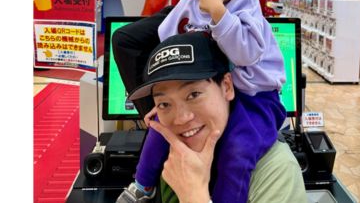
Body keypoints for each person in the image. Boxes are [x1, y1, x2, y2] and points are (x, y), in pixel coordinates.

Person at [117, 0, 286, 203]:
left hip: (255, 95)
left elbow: (244, 55)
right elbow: (168, 41)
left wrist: (220, 14)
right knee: (160, 128)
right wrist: (163, 98)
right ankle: (142, 185)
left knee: (237, 152)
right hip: (212, 89)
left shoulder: (246, 6)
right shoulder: (187, 5)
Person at [122, 32, 308, 203]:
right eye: (164, 104)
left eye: (194, 95)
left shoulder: (277, 173)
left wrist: (194, 197)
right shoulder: (173, 158)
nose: (181, 118)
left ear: (227, 86)